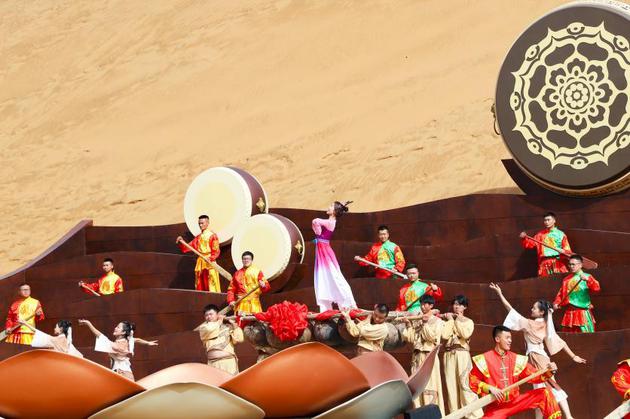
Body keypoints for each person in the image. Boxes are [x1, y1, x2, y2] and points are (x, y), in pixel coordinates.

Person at [490, 282, 586, 419]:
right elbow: (560, 341)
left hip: (538, 358)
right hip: (540, 357)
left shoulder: (529, 324)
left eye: (534, 308)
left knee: (551, 387)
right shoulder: (546, 323)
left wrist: (500, 294)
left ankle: (569, 417)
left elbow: (510, 309)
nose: (532, 309)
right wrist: (573, 356)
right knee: (540, 392)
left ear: (541, 312)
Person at [469, 325, 561, 419]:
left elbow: (535, 376)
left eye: (511, 338)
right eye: (507, 338)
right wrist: (490, 388)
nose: (510, 341)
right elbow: (472, 381)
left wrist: (550, 371)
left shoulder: (515, 359)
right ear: (497, 339)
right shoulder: (484, 359)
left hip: (515, 402)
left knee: (545, 393)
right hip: (496, 407)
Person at [402, 294, 445, 414]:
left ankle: (432, 414)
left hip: (428, 357)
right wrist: (408, 324)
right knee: (416, 387)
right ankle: (419, 413)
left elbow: (431, 337)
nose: (422, 306)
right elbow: (411, 338)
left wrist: (425, 324)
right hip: (416, 356)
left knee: (430, 384)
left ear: (431, 305)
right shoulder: (418, 320)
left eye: (425, 304)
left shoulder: (438, 321)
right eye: (421, 304)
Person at [440, 295, 482, 418]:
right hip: (448, 355)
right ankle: (455, 416)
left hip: (462, 354)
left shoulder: (468, 321)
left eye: (459, 304)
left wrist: (457, 319)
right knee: (451, 387)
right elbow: (444, 336)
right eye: (454, 304)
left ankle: (473, 416)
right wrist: (450, 321)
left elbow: (465, 334)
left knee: (465, 385)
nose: (456, 306)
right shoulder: (448, 321)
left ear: (465, 307)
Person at [312, 201, 357, 312]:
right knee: (324, 277)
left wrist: (318, 233)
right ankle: (326, 308)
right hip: (322, 251)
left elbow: (315, 221)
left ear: (335, 211)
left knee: (334, 276)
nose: (328, 207)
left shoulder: (330, 222)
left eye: (331, 206)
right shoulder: (330, 221)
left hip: (325, 252)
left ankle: (348, 304)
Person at [78, 319, 157, 381]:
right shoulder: (127, 340)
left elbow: (102, 337)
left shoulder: (119, 345)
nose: (115, 328)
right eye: (116, 326)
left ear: (123, 332)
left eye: (118, 327)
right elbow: (137, 340)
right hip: (122, 373)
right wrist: (147, 343)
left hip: (122, 374)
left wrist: (89, 324)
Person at [553, 254, 601, 333]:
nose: (571, 266)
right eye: (570, 264)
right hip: (569, 312)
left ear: (580, 265)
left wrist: (588, 280)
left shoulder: (587, 276)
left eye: (573, 264)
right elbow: (561, 293)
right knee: (569, 336)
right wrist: (556, 303)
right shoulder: (566, 279)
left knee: (586, 336)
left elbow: (597, 288)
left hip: (582, 312)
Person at [176, 214, 221, 292]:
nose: (200, 225)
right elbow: (188, 247)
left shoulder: (212, 236)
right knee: (200, 285)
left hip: (210, 263)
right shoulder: (198, 237)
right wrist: (181, 242)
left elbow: (216, 251)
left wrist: (210, 258)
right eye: (199, 223)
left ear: (207, 223)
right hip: (200, 263)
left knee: (211, 285)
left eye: (202, 223)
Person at [195, 304, 244, 375]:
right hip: (213, 364)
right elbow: (210, 329)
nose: (209, 317)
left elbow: (239, 339)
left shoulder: (228, 327)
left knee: (230, 380)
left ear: (217, 315)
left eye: (211, 314)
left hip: (229, 362)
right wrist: (220, 321)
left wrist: (235, 326)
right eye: (206, 315)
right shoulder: (204, 328)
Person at [520, 212, 572, 277]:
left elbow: (568, 250)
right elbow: (529, 244)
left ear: (554, 221)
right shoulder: (540, 235)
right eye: (545, 220)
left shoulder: (561, 234)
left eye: (548, 220)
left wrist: (563, 251)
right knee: (545, 282)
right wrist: (524, 238)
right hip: (544, 263)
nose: (546, 222)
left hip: (557, 262)